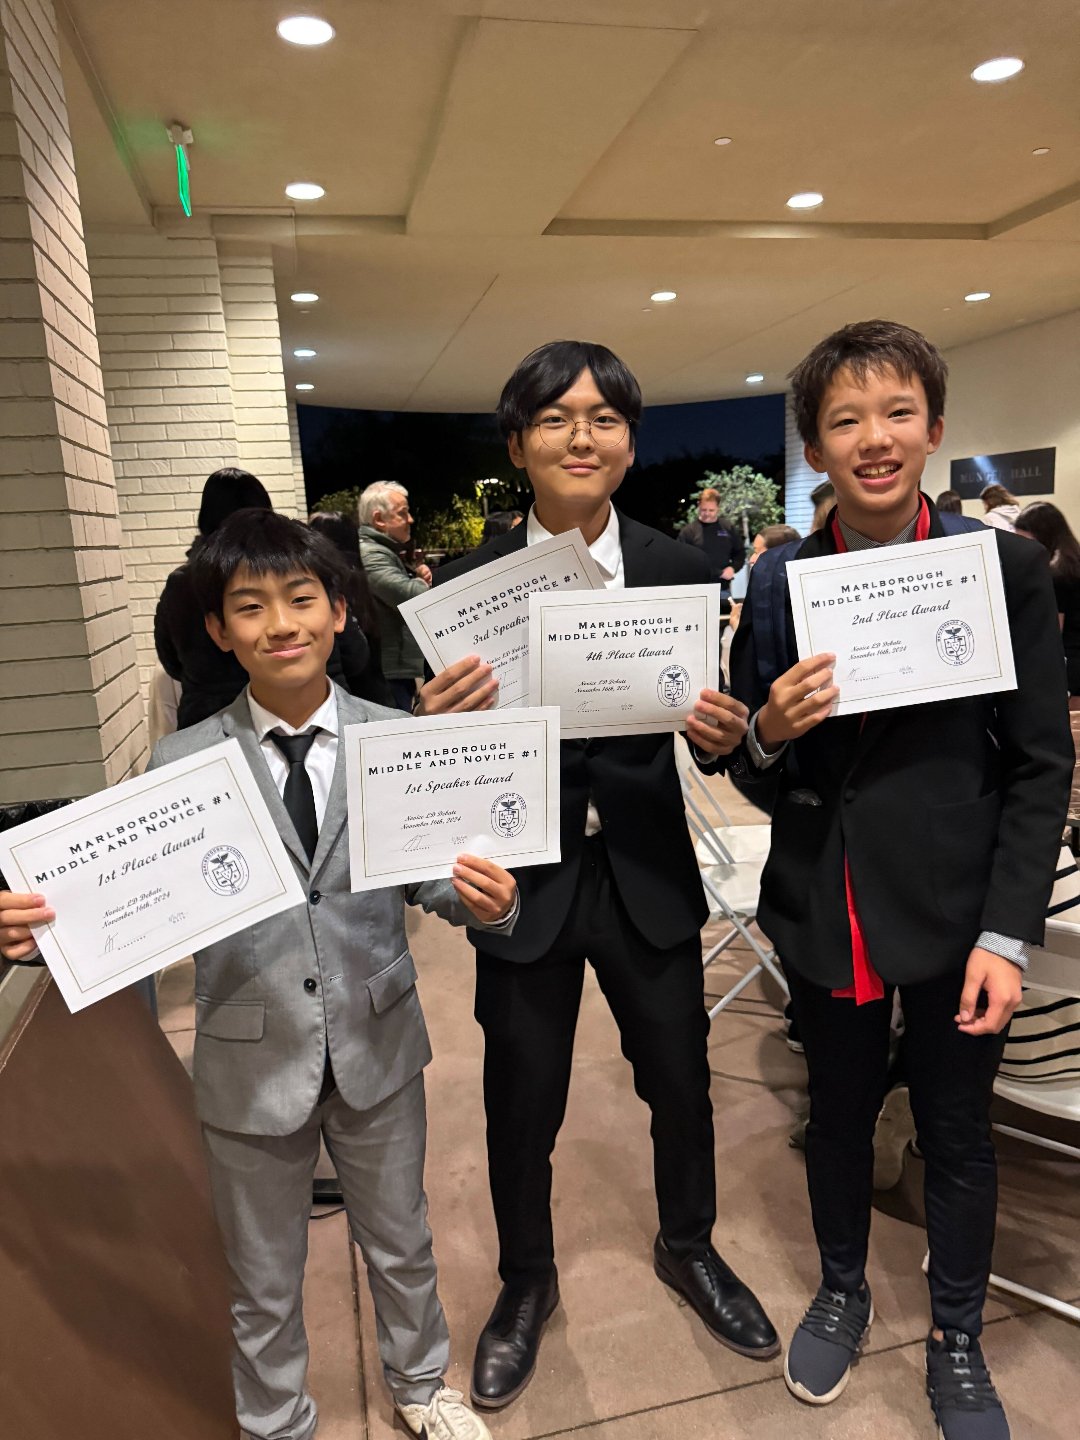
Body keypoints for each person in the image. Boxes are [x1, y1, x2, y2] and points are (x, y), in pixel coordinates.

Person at [1, 510, 520, 1440]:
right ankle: (275, 1419)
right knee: (262, 1267)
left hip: (378, 1038)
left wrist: (489, 900)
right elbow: (132, 906)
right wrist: (47, 935)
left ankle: (419, 1385)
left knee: (401, 1240)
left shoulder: (389, 738)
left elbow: (436, 877)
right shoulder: (179, 764)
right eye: (250, 607)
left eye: (300, 599)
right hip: (248, 1057)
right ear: (218, 629)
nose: (279, 623)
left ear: (338, 615)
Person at [416, 340, 778, 1412]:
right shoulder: (468, 586)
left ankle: (690, 1245)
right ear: (518, 442)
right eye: (558, 418)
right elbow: (434, 768)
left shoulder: (674, 565)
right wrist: (436, 731)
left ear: (629, 443)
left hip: (647, 869)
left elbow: (702, 732)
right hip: (523, 884)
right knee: (521, 1099)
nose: (584, 435)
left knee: (680, 1080)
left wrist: (721, 733)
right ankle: (527, 1282)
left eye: (606, 417)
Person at [727, 319, 1073, 1438]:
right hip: (830, 910)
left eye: (895, 414)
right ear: (816, 448)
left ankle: (957, 1340)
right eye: (844, 421)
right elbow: (756, 771)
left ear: (931, 425)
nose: (873, 439)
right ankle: (840, 1286)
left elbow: (1039, 764)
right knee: (834, 1121)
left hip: (958, 914)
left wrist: (1007, 936)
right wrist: (769, 735)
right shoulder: (778, 583)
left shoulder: (1004, 567)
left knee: (958, 1132)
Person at [155, 467, 274, 728]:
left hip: (205, 717)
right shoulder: (284, 572)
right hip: (279, 710)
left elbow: (172, 663)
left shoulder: (182, 582)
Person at [357, 481, 432, 712]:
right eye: (403, 513)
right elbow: (411, 596)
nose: (409, 520)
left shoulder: (380, 550)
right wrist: (421, 580)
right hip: (389, 667)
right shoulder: (371, 553)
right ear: (379, 519)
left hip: (392, 664)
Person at [308, 510, 395, 707]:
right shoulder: (362, 579)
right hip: (379, 694)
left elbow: (353, 657)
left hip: (353, 703)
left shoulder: (331, 585)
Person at [1015, 501, 1080, 705]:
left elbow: (1052, 630)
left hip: (1070, 666)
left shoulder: (1056, 574)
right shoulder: (1073, 562)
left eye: (1024, 541)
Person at [677, 486, 746, 586]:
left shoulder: (728, 528)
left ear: (718, 508)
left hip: (722, 588)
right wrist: (718, 573)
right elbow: (681, 559)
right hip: (696, 586)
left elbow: (740, 553)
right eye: (703, 510)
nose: (707, 514)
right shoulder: (688, 531)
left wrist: (733, 568)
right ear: (698, 505)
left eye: (711, 510)